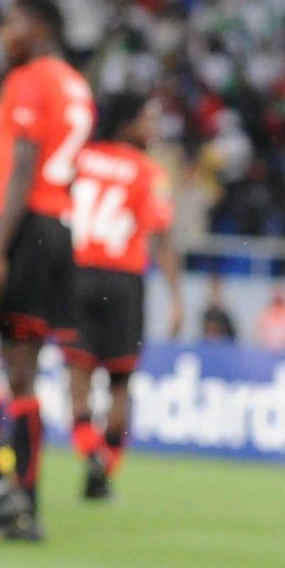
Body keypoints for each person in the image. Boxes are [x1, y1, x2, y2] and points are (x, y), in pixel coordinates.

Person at [0, 0, 92, 543]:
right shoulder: (76, 85)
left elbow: (24, 166)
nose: (2, 33)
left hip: (22, 226)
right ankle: (27, 508)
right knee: (22, 372)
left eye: (9, 22)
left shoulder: (30, 78)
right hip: (59, 230)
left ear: (37, 28)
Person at [64, 94, 184, 500]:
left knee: (77, 375)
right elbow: (163, 236)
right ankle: (106, 468)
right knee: (120, 382)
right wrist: (177, 297)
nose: (153, 128)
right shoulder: (149, 171)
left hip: (77, 273)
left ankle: (89, 450)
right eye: (147, 119)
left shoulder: (81, 159)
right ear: (127, 124)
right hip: (124, 281)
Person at [253, 282, 285, 351]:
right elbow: (259, 334)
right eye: (276, 300)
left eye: (280, 300)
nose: (278, 304)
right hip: (267, 351)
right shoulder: (265, 314)